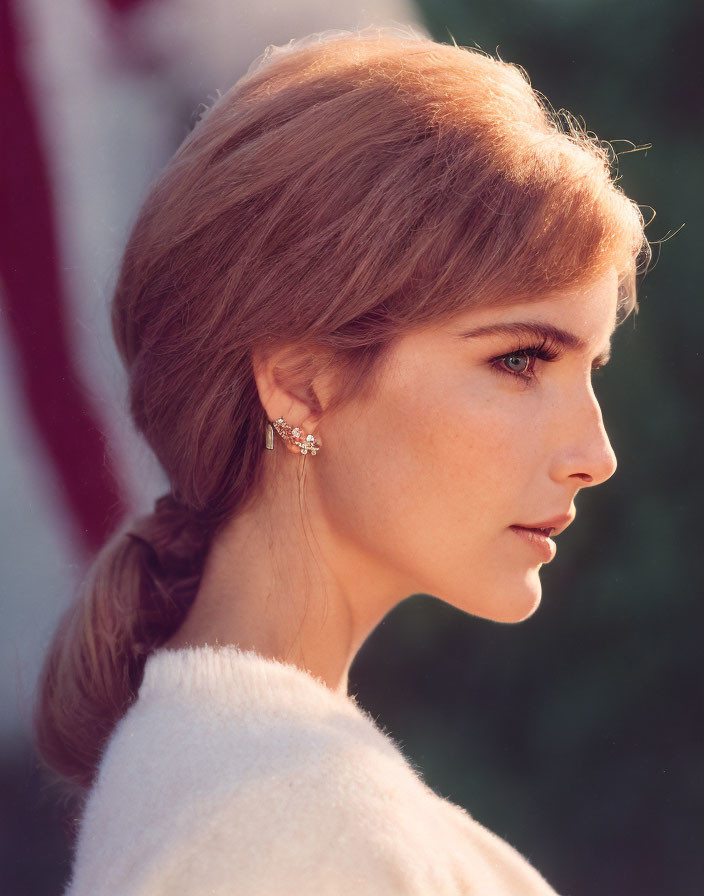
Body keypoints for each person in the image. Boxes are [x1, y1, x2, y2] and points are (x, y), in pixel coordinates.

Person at [34, 24, 651, 895]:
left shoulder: (271, 794)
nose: (596, 455)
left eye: (589, 370)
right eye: (520, 360)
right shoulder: (279, 833)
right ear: (301, 383)